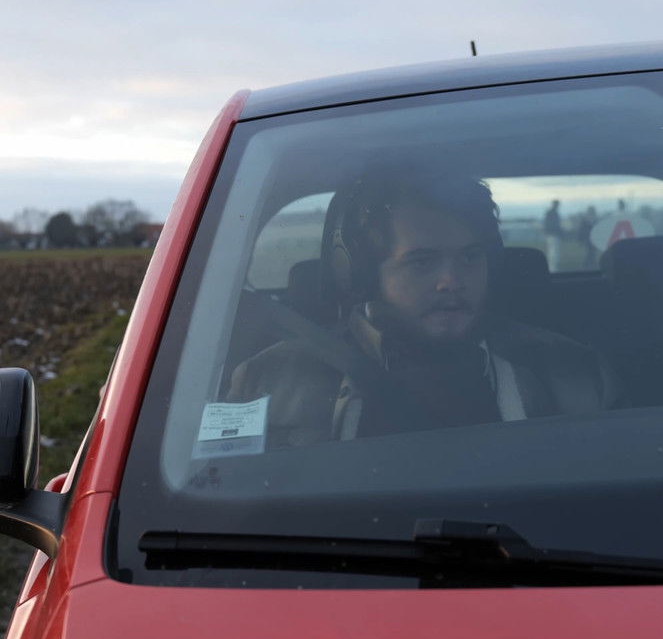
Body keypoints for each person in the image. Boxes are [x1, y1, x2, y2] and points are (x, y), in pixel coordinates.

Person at [228, 170, 617, 447]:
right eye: (422, 262)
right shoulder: (268, 384)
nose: (452, 281)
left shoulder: (575, 375)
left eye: (470, 257)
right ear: (364, 273)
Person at [543, 199, 563, 272]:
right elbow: (552, 225)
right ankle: (553, 269)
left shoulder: (551, 213)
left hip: (551, 235)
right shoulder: (552, 213)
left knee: (553, 252)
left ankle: (552, 268)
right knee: (553, 252)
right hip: (553, 235)